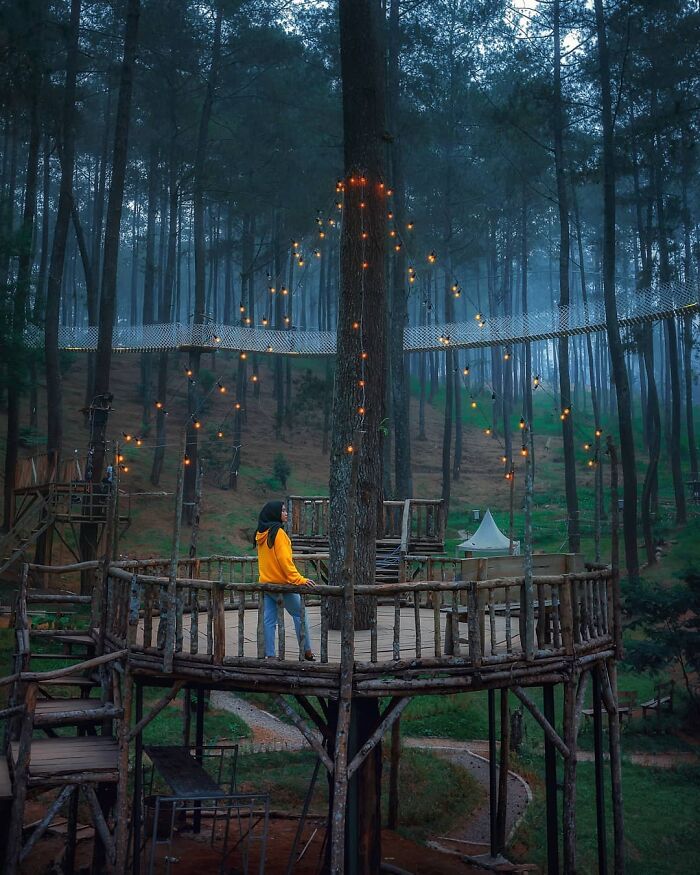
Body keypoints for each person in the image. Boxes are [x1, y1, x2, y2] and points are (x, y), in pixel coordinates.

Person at [255, 500, 316, 660]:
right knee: (300, 614)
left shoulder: (262, 534)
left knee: (269, 620)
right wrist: (299, 579)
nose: (286, 513)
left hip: (267, 584)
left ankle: (270, 655)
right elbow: (285, 561)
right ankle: (306, 650)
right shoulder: (278, 534)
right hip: (283, 585)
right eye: (282, 511)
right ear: (275, 514)